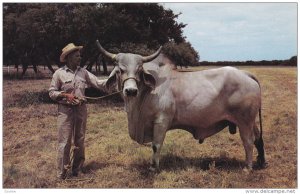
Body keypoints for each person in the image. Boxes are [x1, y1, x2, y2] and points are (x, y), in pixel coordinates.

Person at [49, 43, 107, 180]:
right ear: (68, 57)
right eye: (76, 55)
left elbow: (98, 83)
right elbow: (51, 92)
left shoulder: (84, 72)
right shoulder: (59, 74)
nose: (79, 57)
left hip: (81, 110)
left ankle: (77, 170)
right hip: (65, 111)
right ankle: (62, 173)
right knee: (65, 141)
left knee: (80, 140)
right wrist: (65, 95)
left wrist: (115, 79)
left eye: (79, 55)